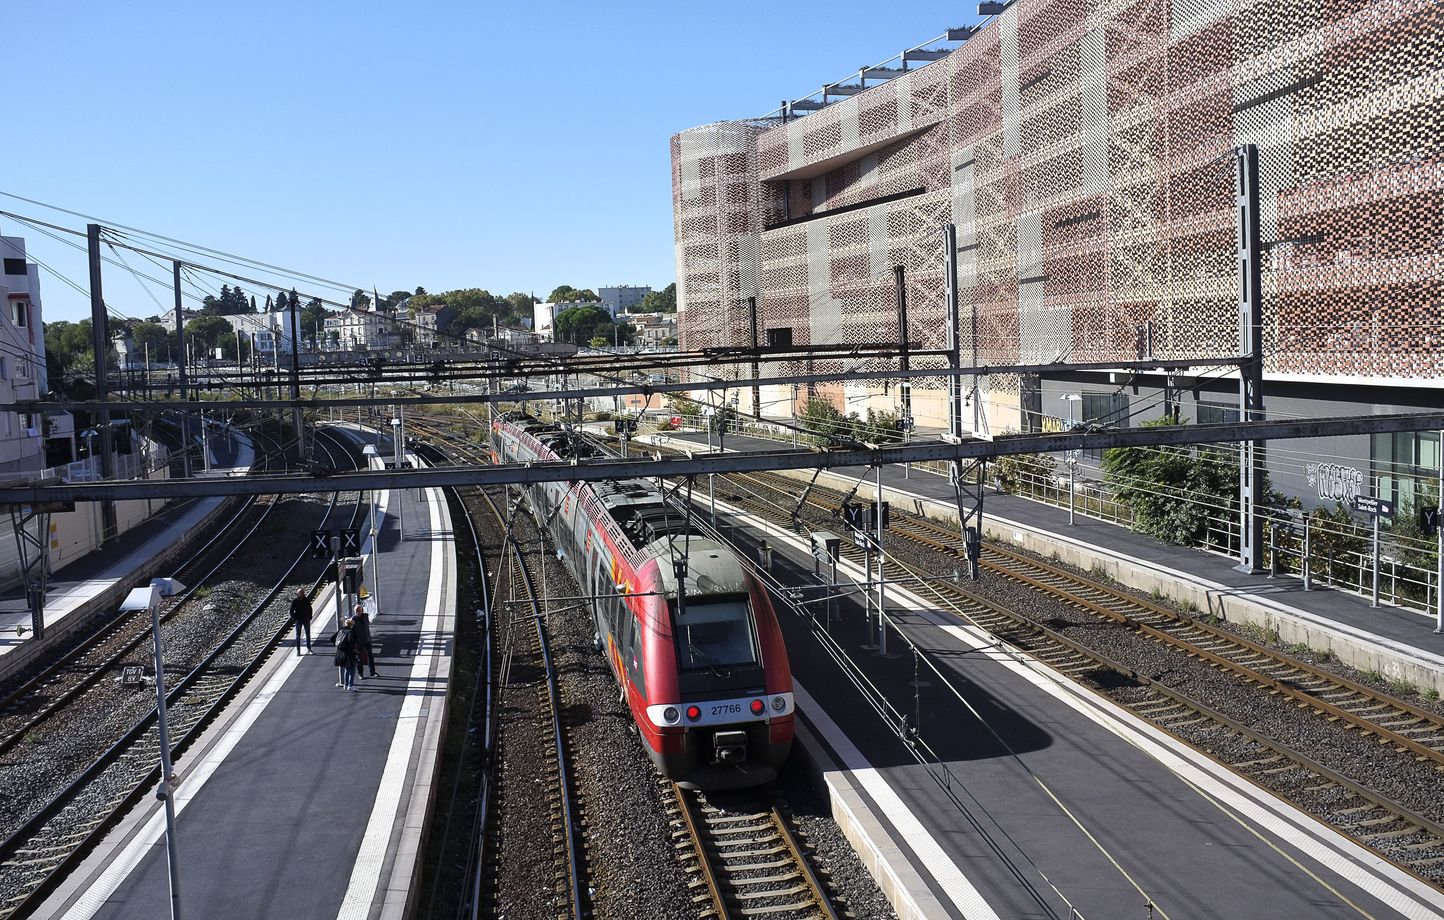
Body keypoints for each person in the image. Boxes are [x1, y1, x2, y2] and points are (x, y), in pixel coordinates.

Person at [352, 602, 378, 678]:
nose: (358, 612)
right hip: (358, 642)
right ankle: (360, 674)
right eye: (357, 611)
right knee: (359, 658)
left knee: (370, 656)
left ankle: (372, 672)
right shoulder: (353, 619)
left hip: (367, 639)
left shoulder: (365, 616)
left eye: (360, 610)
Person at [333, 618, 357, 691]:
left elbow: (332, 638)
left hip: (340, 653)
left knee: (346, 668)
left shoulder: (341, 631)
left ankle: (345, 685)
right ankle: (350, 685)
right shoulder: (350, 632)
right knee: (352, 668)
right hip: (349, 654)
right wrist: (355, 650)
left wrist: (339, 646)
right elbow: (351, 643)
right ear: (351, 625)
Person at [289, 589, 313, 654]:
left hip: (306, 619)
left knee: (308, 634)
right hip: (298, 620)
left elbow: (310, 608)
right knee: (298, 635)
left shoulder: (306, 600)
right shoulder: (295, 601)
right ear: (297, 594)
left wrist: (310, 616)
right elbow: (291, 611)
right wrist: (294, 618)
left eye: (302, 592)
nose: (302, 594)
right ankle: (298, 650)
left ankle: (309, 648)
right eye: (300, 593)